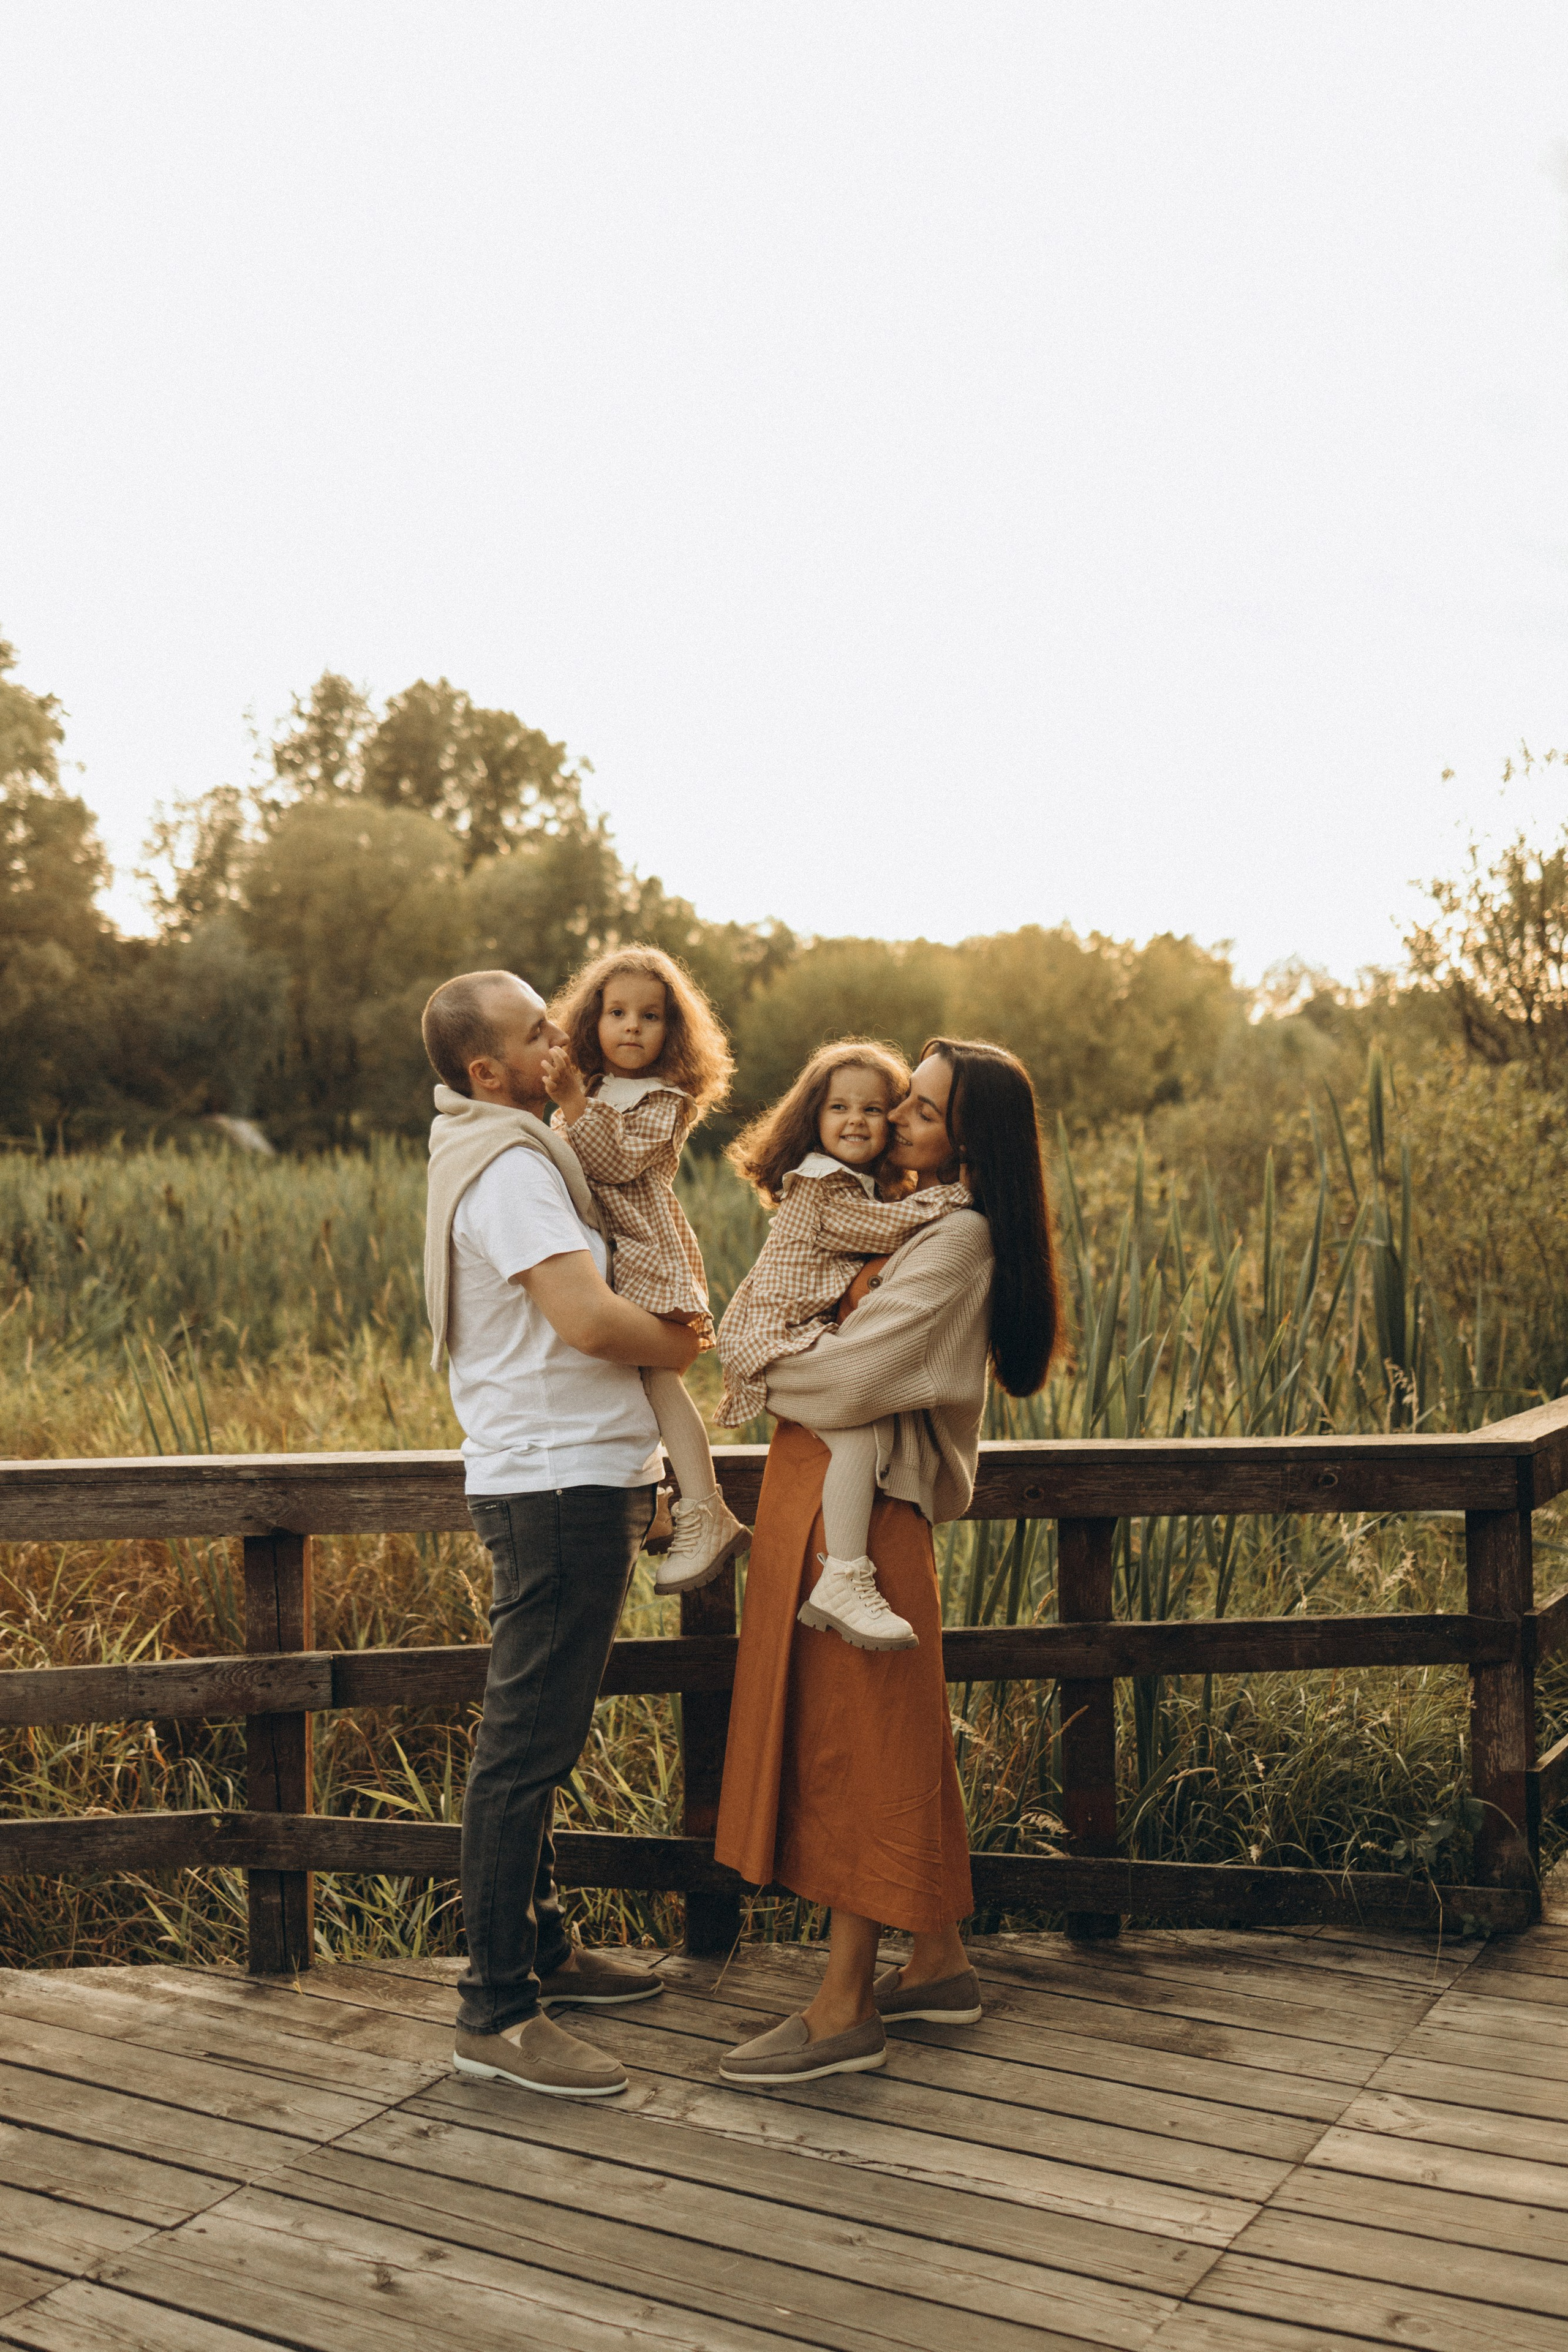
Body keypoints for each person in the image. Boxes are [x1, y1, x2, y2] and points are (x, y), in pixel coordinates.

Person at [713, 1038, 1061, 2086]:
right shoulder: (897, 1213)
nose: (899, 1118)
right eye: (901, 1100)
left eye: (921, 1106)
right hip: (817, 1502)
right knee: (881, 1731)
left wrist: (764, 1364)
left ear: (970, 1135)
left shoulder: (958, 1240)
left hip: (866, 1520)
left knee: (860, 1743)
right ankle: (939, 1962)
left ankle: (842, 2007)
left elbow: (855, 1382)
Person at [421, 967, 704, 2099]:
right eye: (541, 1031)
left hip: (559, 1476)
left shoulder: (499, 1151)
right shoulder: (514, 1175)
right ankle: (494, 2012)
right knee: (525, 1752)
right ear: (489, 1071)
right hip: (554, 1488)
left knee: (538, 1739)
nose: (567, 1037)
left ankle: (540, 1947)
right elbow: (586, 1319)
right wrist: (685, 1343)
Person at [716, 1041, 971, 1650]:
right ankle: (844, 1574)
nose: (855, 1120)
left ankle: (843, 1575)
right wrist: (948, 1199)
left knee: (861, 1435)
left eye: (874, 1109)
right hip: (773, 1334)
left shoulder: (860, 1187)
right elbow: (874, 1230)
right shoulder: (820, 1183)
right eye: (838, 1107)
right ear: (813, 1117)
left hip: (794, 1336)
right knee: (860, 1431)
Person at [542, 946, 748, 1593]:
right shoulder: (591, 1089)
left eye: (651, 1015)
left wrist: (574, 1105)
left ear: (672, 1032)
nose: (632, 1026)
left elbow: (614, 1163)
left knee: (658, 1377)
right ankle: (660, 1494)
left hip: (644, 1248)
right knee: (619, 1378)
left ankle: (705, 1510)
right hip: (602, 1249)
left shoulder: (666, 1099)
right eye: (617, 1012)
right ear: (592, 1023)